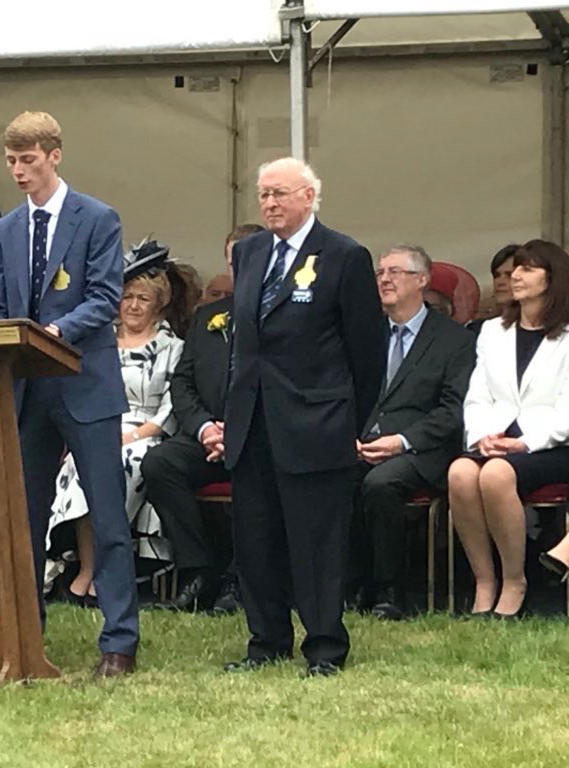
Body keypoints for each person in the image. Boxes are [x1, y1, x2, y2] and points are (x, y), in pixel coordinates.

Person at [0, 111, 139, 678]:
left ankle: (119, 641)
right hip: (23, 391)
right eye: (11, 161)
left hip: (84, 386)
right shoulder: (4, 231)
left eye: (28, 159)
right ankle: (24, 639)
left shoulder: (96, 217)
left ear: (54, 155)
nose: (19, 171)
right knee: (22, 518)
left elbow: (103, 297)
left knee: (106, 516)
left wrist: (53, 332)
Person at [219, 157, 384, 677]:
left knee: (316, 542)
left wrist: (347, 420)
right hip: (253, 420)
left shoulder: (344, 255)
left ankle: (325, 646)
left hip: (316, 421)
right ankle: (265, 641)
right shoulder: (249, 253)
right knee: (256, 537)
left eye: (280, 194)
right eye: (264, 194)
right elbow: (245, 342)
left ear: (309, 197)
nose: (269, 203)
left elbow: (367, 351)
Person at [47, 241, 184, 601]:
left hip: (146, 436)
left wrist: (134, 435)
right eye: (126, 297)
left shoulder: (173, 347)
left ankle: (112, 569)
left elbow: (172, 408)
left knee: (121, 464)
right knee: (80, 464)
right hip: (99, 427)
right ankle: (90, 565)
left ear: (158, 303)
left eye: (142, 298)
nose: (133, 305)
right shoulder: (100, 343)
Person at [349, 245, 475, 620]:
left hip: (423, 448)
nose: (384, 279)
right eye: (380, 272)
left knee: (381, 484)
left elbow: (454, 410)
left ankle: (390, 590)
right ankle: (347, 583)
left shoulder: (455, 341)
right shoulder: (364, 333)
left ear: (422, 281)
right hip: (362, 442)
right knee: (328, 476)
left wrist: (402, 441)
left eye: (395, 272)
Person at [449, 240, 569, 618]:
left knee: (497, 475)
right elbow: (478, 395)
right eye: (515, 268)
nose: (516, 276)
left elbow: (565, 408)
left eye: (528, 269)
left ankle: (515, 580)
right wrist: (483, 436)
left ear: (553, 279)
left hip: (550, 443)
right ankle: (485, 580)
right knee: (461, 472)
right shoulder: (491, 333)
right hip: (497, 437)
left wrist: (525, 443)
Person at [141, 266, 239, 614]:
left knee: (259, 470)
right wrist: (206, 429)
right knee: (160, 462)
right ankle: (197, 572)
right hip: (207, 434)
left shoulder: (282, 315)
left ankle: (238, 579)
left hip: (258, 438)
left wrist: (239, 432)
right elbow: (182, 383)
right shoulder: (207, 319)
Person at [468, 244, 519, 334]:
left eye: (509, 275)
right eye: (496, 275)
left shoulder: (544, 327)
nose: (500, 282)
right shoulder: (478, 329)